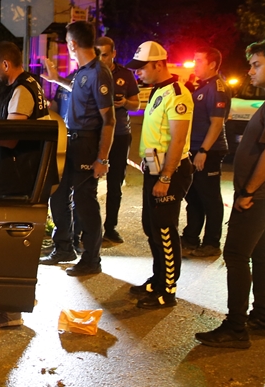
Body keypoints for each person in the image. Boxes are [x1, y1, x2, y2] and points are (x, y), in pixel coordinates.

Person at [195, 37, 265, 349]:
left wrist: (249, 191)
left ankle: (236, 326)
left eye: (257, 65)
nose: (250, 71)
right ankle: (261, 318)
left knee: (236, 254)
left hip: (261, 195)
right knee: (260, 254)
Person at [0, 41, 49, 329]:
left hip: (18, 176)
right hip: (28, 174)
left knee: (6, 244)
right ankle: (20, 298)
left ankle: (9, 312)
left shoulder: (20, 92)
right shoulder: (31, 84)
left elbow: (10, 139)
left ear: (6, 64)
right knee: (19, 244)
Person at [39, 21, 115, 277]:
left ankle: (91, 259)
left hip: (86, 142)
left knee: (84, 201)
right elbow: (80, 91)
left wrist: (102, 158)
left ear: (72, 44)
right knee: (59, 193)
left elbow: (109, 120)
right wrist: (57, 80)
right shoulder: (83, 72)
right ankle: (64, 247)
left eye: (67, 43)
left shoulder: (98, 72)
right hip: (71, 140)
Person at [127, 41, 194, 308]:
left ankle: (168, 289)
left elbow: (177, 141)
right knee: (151, 227)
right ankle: (157, 279)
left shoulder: (178, 94)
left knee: (165, 231)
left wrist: (165, 178)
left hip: (170, 172)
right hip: (153, 169)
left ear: (158, 64)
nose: (138, 73)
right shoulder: (157, 91)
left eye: (142, 68)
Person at [182, 47, 230, 257]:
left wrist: (203, 150)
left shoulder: (217, 88)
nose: (195, 64)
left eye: (199, 61)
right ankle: (191, 238)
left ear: (212, 64)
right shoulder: (202, 86)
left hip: (207, 151)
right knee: (194, 197)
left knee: (210, 198)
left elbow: (218, 122)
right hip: (193, 149)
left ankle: (212, 242)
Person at [96, 36, 141, 245]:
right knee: (89, 183)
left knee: (115, 183)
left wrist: (124, 102)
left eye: (105, 54)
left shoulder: (125, 75)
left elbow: (136, 104)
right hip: (95, 134)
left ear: (113, 53)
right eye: (98, 54)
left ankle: (110, 228)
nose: (101, 58)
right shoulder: (91, 72)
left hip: (120, 134)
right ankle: (87, 228)